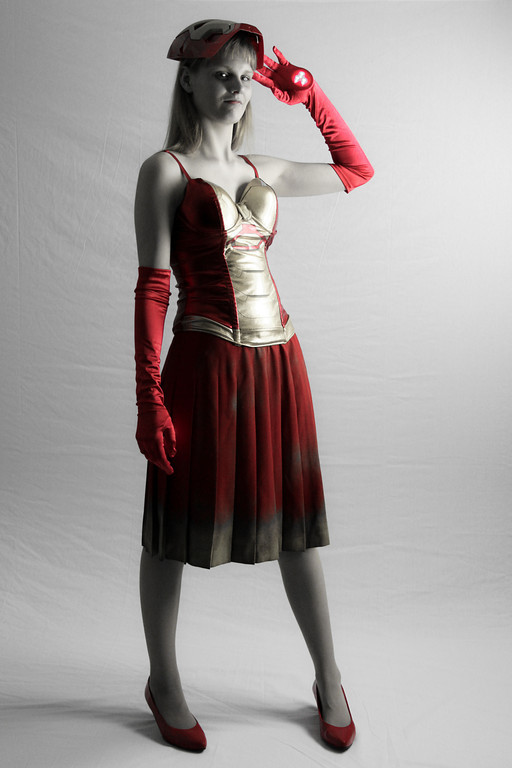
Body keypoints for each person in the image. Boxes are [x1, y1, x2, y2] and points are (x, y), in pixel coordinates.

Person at [133, 19, 373, 753]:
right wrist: (148, 395)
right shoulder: (164, 171)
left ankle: (328, 677)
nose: (237, 88)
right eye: (222, 74)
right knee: (174, 524)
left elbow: (356, 169)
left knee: (298, 524)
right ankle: (163, 681)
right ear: (188, 80)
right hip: (204, 363)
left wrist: (308, 91)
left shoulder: (261, 168)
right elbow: (153, 289)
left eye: (245, 76)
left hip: (278, 362)